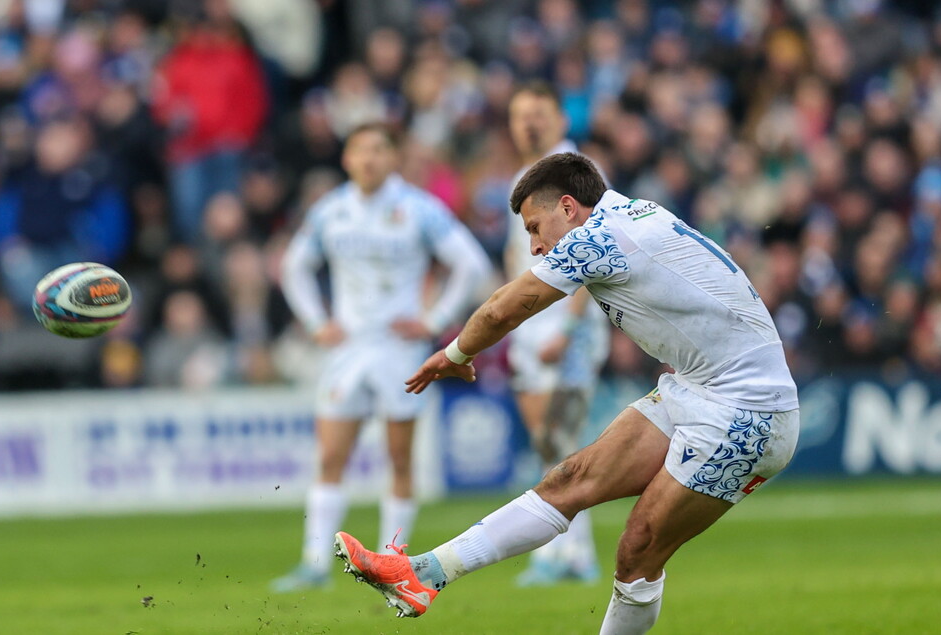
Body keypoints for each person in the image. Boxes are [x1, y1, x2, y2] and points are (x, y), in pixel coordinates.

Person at [333, 153, 800, 633]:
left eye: (536, 228)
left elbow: (501, 311)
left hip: (749, 413)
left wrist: (454, 354)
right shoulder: (631, 214)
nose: (535, 246)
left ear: (570, 208)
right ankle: (422, 574)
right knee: (569, 478)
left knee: (637, 548)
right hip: (699, 386)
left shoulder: (600, 237)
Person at [272, 122, 490, 591]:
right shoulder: (331, 211)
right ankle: (314, 563)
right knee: (331, 455)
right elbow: (293, 267)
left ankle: (393, 560)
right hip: (348, 348)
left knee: (399, 458)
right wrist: (316, 322)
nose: (367, 159)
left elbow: (470, 263)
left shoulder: (418, 209)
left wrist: (434, 321)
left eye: (377, 150)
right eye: (358, 151)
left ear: (392, 158)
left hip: (399, 348)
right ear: (346, 159)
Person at [504, 81, 609, 585]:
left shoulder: (574, 175)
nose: (528, 123)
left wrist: (569, 326)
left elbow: (596, 253)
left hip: (569, 327)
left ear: (558, 118)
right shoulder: (522, 177)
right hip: (530, 330)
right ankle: (568, 553)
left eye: (538, 112)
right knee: (551, 447)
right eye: (519, 114)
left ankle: (564, 555)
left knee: (561, 443)